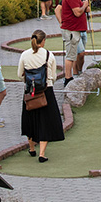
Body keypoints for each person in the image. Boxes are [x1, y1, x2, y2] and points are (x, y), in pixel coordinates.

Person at [17, 30, 64, 163]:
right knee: (46, 121)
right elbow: (53, 77)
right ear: (43, 41)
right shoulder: (49, 55)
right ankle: (42, 153)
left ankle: (32, 148)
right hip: (46, 91)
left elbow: (20, 74)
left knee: (30, 119)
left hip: (29, 91)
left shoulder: (24, 55)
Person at [58, 0, 89, 86]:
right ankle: (68, 78)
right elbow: (77, 12)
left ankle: (72, 75)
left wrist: (85, 5)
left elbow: (83, 10)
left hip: (75, 30)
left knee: (76, 53)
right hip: (71, 30)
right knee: (71, 55)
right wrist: (85, 4)